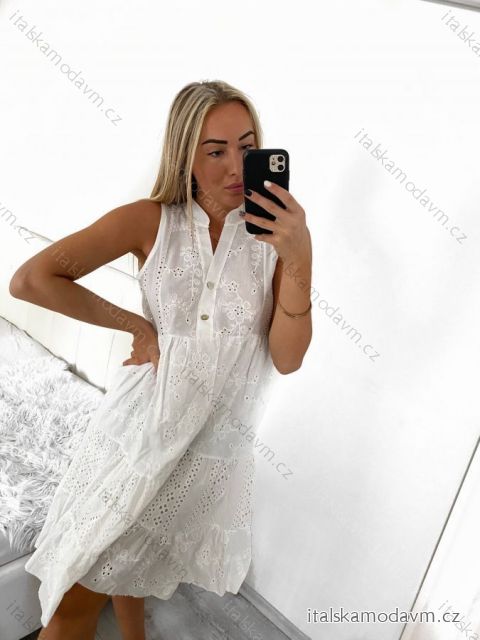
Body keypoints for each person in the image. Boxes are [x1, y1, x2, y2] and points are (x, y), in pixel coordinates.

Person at [9, 79, 313, 640]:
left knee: (133, 561)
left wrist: (300, 256)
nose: (235, 167)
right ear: (185, 156)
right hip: (139, 433)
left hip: (207, 449)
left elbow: (287, 358)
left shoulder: (274, 238)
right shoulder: (150, 220)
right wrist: (136, 325)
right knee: (77, 594)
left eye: (247, 148)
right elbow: (31, 280)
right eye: (215, 151)